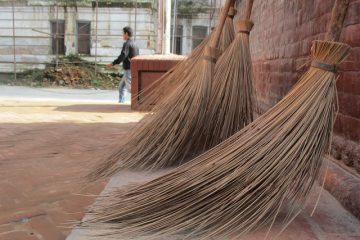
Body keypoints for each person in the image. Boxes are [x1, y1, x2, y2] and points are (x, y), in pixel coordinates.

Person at [107, 27, 139, 103]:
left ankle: (140, 99)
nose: (122, 35)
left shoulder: (127, 44)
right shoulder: (135, 44)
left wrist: (113, 63)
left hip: (128, 69)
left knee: (130, 88)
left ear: (126, 34)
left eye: (123, 33)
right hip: (132, 68)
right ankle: (121, 102)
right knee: (121, 87)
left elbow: (123, 55)